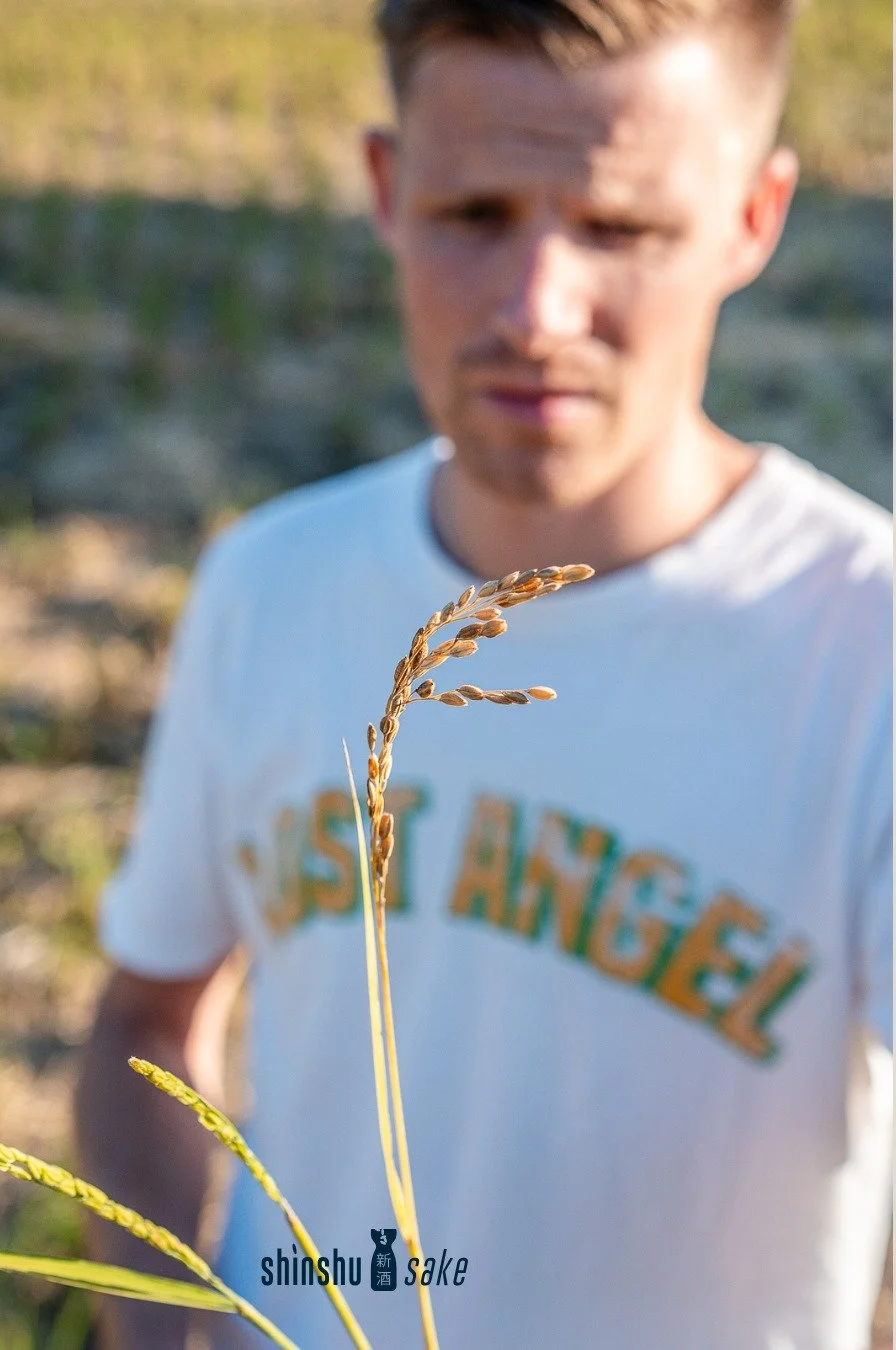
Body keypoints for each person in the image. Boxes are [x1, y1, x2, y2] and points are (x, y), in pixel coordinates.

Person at [75, 1, 893, 1346]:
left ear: (756, 216)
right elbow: (147, 1018)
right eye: (476, 214)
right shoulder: (269, 584)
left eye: (622, 229)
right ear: (387, 189)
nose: (536, 308)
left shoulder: (863, 644)